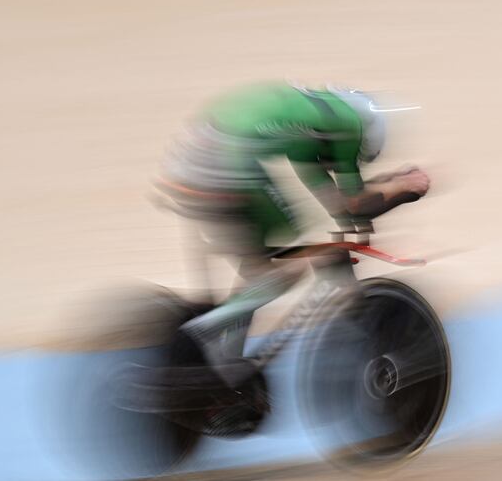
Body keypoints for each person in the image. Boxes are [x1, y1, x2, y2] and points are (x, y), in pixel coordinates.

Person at [155, 80, 429, 377]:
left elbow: (337, 204)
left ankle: (225, 365)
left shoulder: (313, 130)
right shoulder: (351, 125)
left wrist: (355, 219)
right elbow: (355, 203)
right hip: (226, 162)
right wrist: (403, 188)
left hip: (194, 158)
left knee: (259, 268)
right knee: (290, 268)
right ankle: (201, 333)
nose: (341, 164)